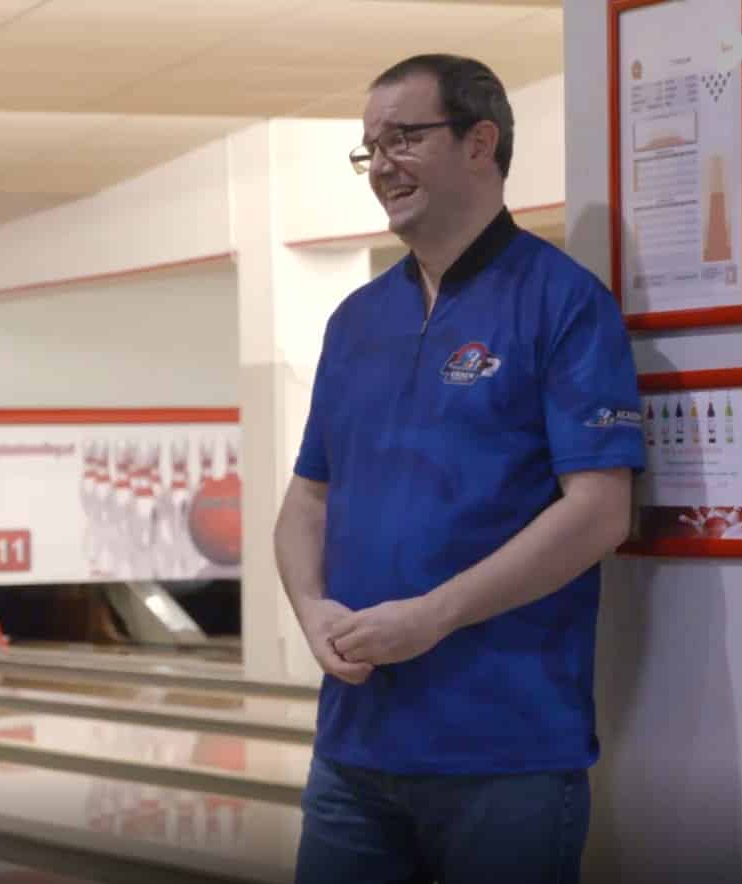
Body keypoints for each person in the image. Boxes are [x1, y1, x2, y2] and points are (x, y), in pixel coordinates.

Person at [275, 53, 646, 884]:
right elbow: (306, 498)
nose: (380, 166)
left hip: (505, 753)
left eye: (402, 138)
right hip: (353, 749)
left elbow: (598, 512)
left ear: (480, 142)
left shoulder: (562, 301)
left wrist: (434, 616)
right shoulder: (356, 321)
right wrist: (309, 609)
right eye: (368, 147)